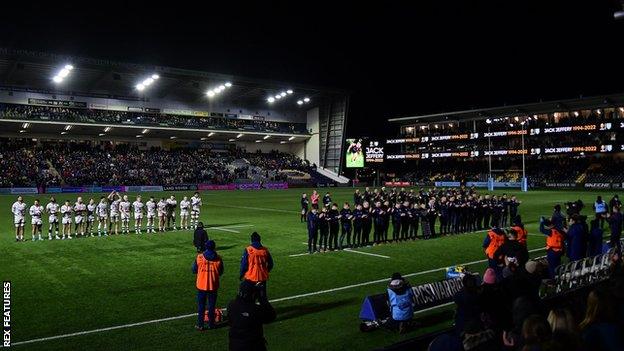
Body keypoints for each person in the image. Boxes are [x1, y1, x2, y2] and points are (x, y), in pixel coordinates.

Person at [228, 281, 276, 351]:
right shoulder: (255, 310)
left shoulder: (231, 305)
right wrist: (263, 299)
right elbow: (271, 316)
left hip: (234, 346)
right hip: (253, 346)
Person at [192, 240, 223, 331]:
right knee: (211, 306)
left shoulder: (199, 257)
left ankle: (200, 324)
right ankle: (211, 324)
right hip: (213, 285)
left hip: (201, 285)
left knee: (201, 306)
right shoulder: (218, 258)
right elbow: (221, 272)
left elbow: (194, 270)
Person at [240, 232, 273, 304]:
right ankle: (265, 313)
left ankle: (252, 313)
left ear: (251, 240)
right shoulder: (265, 250)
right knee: (263, 298)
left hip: (250, 278)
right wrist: (265, 271)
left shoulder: (248, 250)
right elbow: (271, 264)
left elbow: (244, 265)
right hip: (262, 278)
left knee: (250, 298)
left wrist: (241, 274)